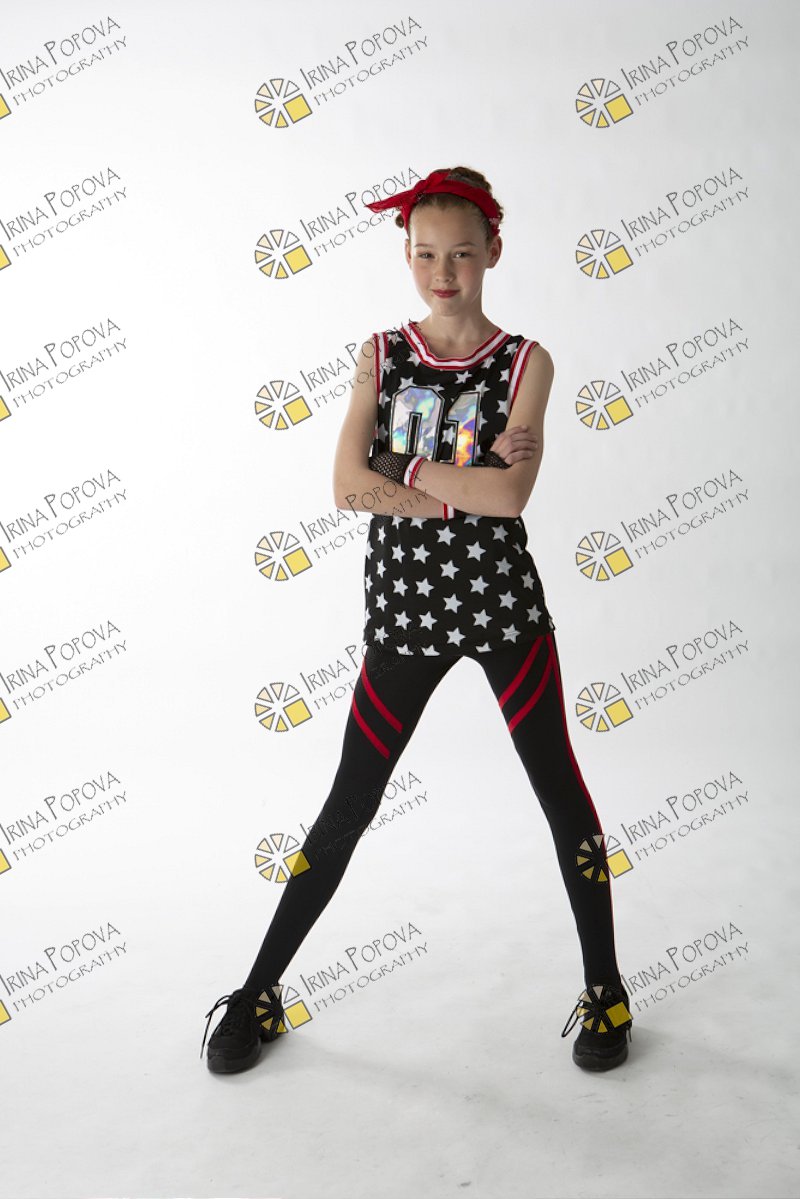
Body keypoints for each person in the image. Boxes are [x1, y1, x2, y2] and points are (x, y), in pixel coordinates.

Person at [200, 165, 633, 1076]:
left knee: (560, 791)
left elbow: (509, 498)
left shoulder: (528, 361)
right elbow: (344, 485)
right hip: (405, 614)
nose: (444, 273)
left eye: (462, 255)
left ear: (494, 252)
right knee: (348, 803)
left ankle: (607, 989)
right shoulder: (379, 354)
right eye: (427, 254)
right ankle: (256, 991)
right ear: (407, 255)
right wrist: (451, 486)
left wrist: (401, 466)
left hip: (505, 608)